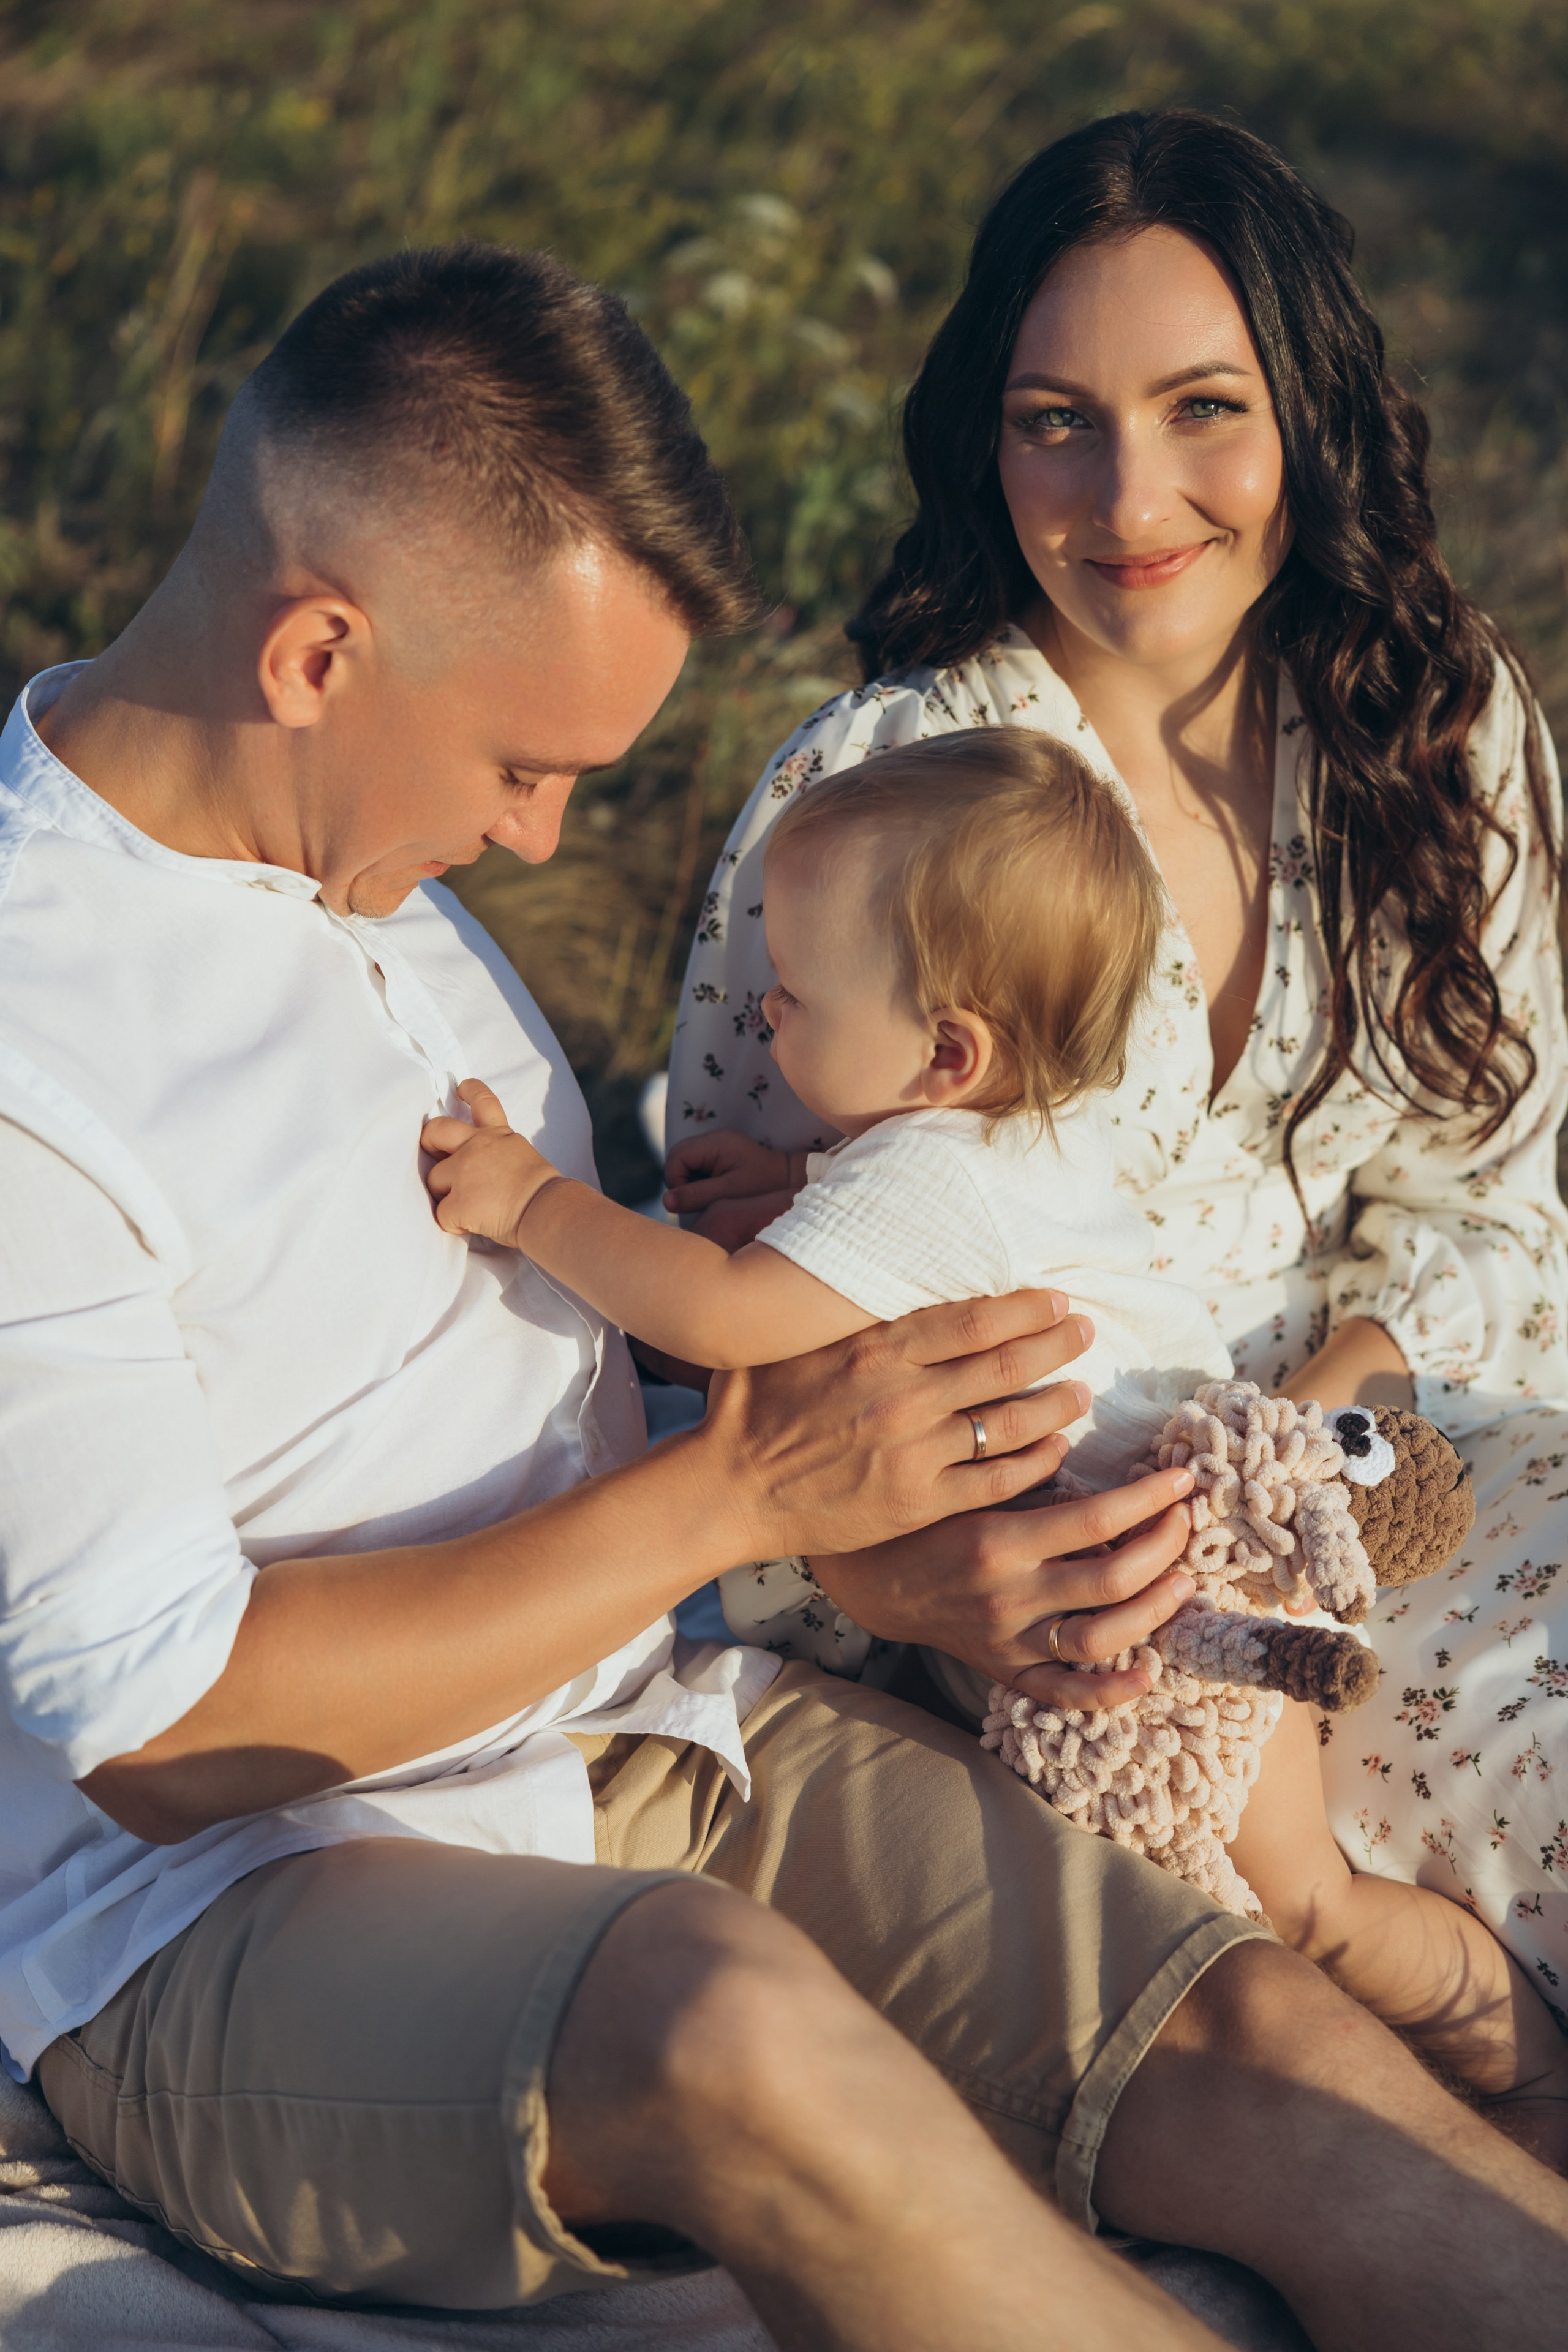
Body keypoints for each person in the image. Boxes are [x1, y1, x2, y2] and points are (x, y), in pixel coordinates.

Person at [2, 240, 1566, 2352]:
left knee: (1258, 2045)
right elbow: (169, 1735)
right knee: (722, 2013)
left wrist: (878, 1494)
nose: (541, 846)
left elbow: (478, 1378)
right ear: (314, 655)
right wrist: (752, 1495)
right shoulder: (40, 1049)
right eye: (522, 766)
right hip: (233, 1906)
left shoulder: (378, 888)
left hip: (653, 1732)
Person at [669, 107, 1568, 2138]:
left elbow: (1503, 1208)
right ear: (983, 441)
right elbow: (724, 1295)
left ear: (1311, 416)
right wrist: (932, 1571)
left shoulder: (1445, 721)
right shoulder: (889, 778)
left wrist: (1337, 1411)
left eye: (1201, 408)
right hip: (1043, 1572)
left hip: (1407, 1459)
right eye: (1056, 418)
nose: (1132, 496)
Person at [431, 725, 1568, 2160]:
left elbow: (715, 1317)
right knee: (1315, 1900)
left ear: (943, 1054)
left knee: (1279, 1917)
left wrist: (531, 1204)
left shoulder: (919, 1179)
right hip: (1204, 1556)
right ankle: (1519, 2075)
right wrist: (801, 1182)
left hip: (1158, 1611)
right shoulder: (1031, 1140)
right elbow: (928, 1234)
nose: (763, 1021)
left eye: (789, 998)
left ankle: (1515, 2102)